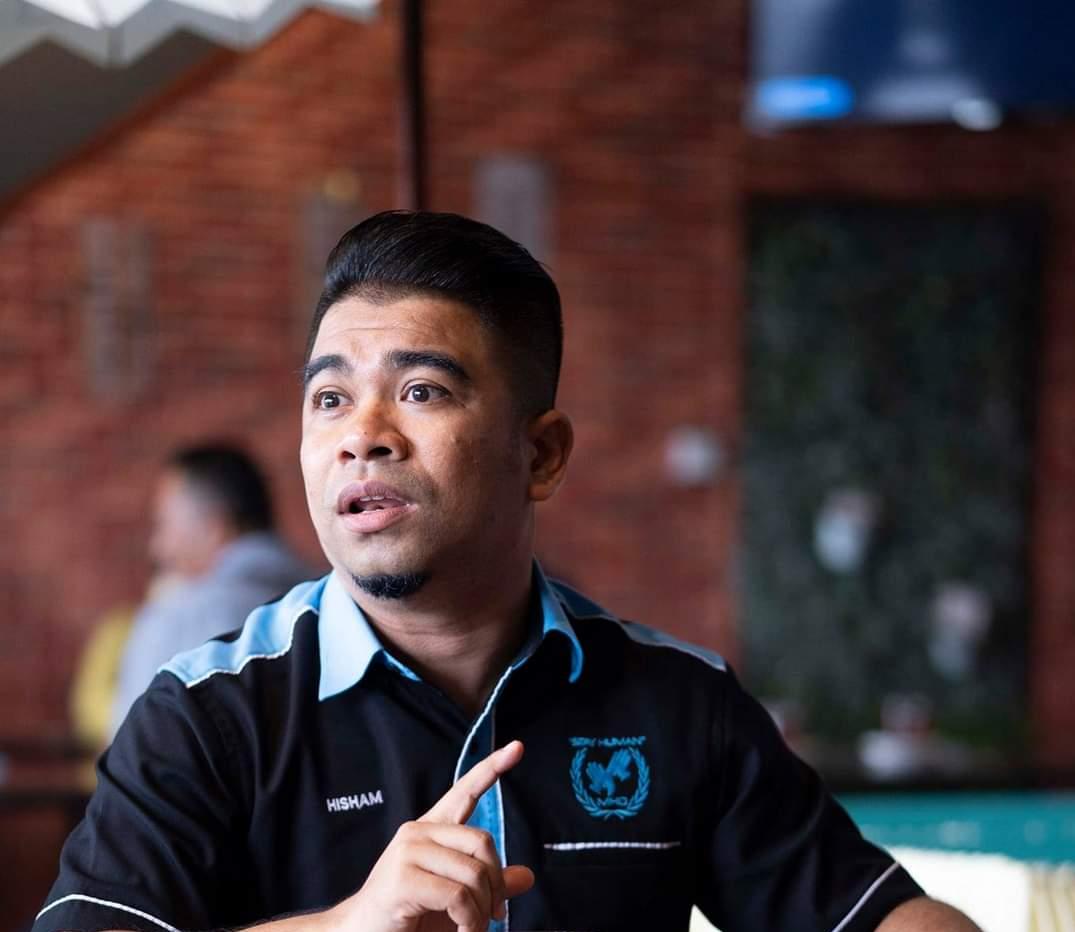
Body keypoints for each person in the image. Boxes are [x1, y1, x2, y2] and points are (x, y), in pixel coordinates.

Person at [33, 212, 980, 932]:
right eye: (329, 399)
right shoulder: (208, 715)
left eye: (420, 391)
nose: (362, 436)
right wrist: (347, 926)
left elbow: (871, 914)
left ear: (541, 455)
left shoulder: (677, 702)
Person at [108, 444, 311, 737]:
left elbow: (130, 743)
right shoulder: (337, 598)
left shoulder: (177, 615)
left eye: (164, 524)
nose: (157, 548)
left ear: (213, 527)